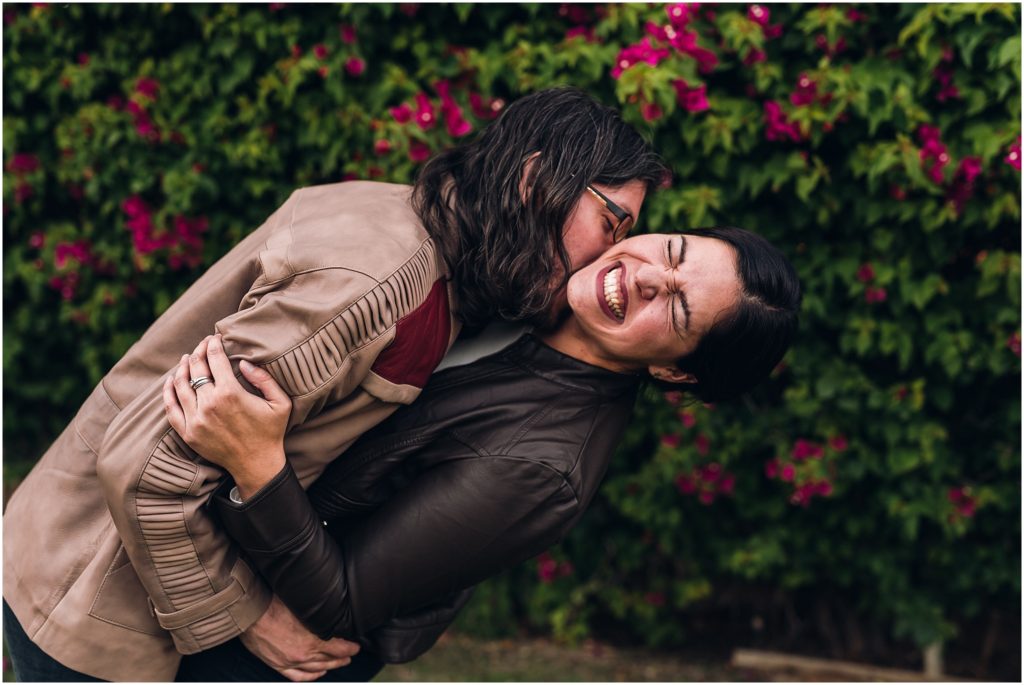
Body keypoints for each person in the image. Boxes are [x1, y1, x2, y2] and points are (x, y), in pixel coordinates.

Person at [2, 87, 667, 682]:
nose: (611, 257)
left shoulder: (418, 231)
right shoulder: (382, 291)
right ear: (534, 178)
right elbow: (150, 468)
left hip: (71, 557)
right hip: (88, 602)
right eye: (612, 222)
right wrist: (250, 616)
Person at [166, 228, 802, 682]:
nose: (646, 276)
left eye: (678, 308)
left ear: (673, 372)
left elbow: (342, 604)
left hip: (263, 655)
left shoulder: (544, 469)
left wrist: (256, 466)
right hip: (219, 574)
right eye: (674, 252)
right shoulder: (530, 279)